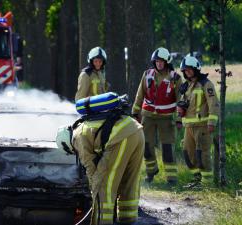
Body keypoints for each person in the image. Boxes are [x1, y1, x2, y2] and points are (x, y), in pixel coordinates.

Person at [56, 93, 144, 225]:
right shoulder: (84, 125)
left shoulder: (77, 137)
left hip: (120, 137)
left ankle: (102, 222)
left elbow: (92, 169)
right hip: (136, 130)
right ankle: (128, 219)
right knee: (128, 179)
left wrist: (94, 189)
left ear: (66, 143)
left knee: (103, 185)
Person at [131, 47, 182, 185]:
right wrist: (135, 113)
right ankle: (151, 172)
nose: (159, 64)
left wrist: (178, 119)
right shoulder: (147, 74)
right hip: (147, 116)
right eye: (157, 61)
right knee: (146, 146)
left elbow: (180, 100)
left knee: (167, 149)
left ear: (167, 62)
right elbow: (139, 94)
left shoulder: (175, 78)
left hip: (166, 118)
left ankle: (172, 179)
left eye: (161, 61)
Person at [177, 55, 219, 188]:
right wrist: (179, 118)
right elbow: (182, 105)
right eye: (185, 70)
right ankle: (197, 179)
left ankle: (207, 184)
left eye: (189, 69)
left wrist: (212, 122)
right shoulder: (186, 86)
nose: (187, 72)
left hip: (203, 126)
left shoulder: (206, 84)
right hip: (188, 127)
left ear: (196, 69)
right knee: (188, 153)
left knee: (203, 154)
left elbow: (214, 103)